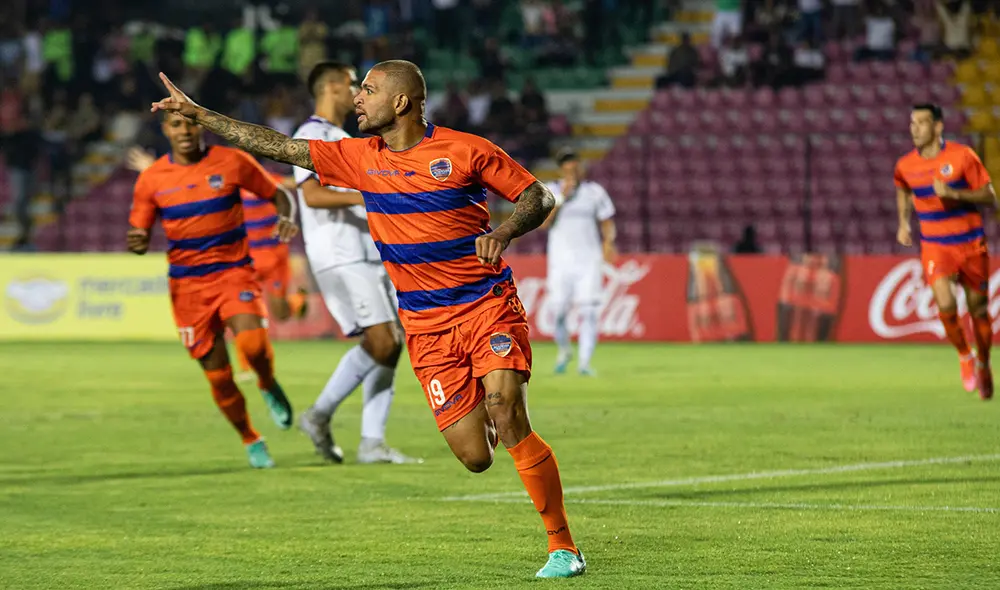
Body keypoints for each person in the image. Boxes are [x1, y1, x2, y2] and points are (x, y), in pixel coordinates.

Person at [150, 59, 586, 578]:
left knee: (506, 409)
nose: (358, 98)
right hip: (425, 326)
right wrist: (201, 114)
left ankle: (563, 547)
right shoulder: (359, 157)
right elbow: (278, 146)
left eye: (370, 90)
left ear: (401, 102)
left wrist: (506, 230)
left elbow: (538, 195)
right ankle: (495, 411)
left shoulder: (466, 149)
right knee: (476, 456)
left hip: (484, 304)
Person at [127, 112, 299, 468]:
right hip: (188, 287)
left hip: (234, 272)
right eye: (176, 125)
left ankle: (267, 382)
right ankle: (251, 438)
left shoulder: (232, 161)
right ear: (166, 130)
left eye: (190, 123)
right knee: (219, 375)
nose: (185, 130)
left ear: (201, 126)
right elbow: (139, 232)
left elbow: (278, 194)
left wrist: (285, 216)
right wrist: (138, 241)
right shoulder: (151, 179)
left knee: (253, 345)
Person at [292, 61, 419, 465]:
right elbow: (311, 195)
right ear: (332, 88)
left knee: (390, 344)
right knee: (383, 341)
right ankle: (320, 415)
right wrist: (370, 195)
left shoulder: (343, 137)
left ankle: (371, 441)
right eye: (353, 85)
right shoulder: (311, 134)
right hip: (339, 252)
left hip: (364, 251)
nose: (359, 94)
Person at [894, 103, 996, 400]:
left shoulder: (962, 156)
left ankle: (984, 363)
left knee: (979, 310)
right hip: (936, 246)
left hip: (971, 244)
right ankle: (965, 355)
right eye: (912, 123)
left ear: (938, 126)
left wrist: (954, 194)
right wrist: (903, 223)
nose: (914, 129)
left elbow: (990, 196)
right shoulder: (905, 165)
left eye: (921, 123)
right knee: (946, 303)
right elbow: (902, 188)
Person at [542, 148, 616, 376]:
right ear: (561, 169)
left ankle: (584, 362)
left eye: (574, 163)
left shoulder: (595, 192)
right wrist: (561, 198)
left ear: (580, 166)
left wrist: (608, 243)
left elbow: (606, 221)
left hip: (589, 261)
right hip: (560, 262)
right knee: (558, 311)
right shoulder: (550, 191)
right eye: (567, 164)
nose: (571, 168)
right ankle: (564, 350)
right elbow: (543, 223)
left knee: (589, 311)